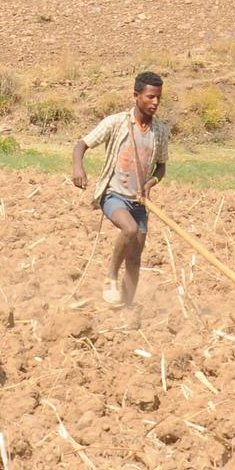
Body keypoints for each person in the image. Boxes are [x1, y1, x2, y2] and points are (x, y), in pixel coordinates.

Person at [72, 71, 170, 308]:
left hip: (139, 202)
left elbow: (161, 168)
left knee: (135, 260)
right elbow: (81, 145)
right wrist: (78, 168)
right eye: (150, 97)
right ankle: (111, 277)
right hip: (114, 195)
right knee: (129, 229)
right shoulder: (116, 122)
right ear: (136, 96)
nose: (155, 102)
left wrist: (151, 183)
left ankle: (126, 308)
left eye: (158, 98)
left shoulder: (160, 132)